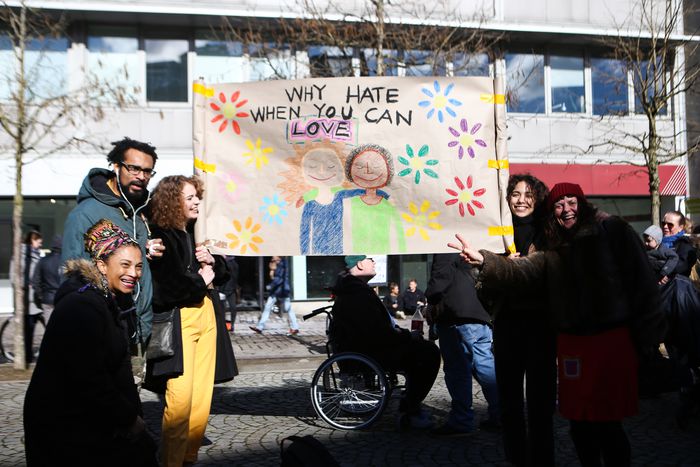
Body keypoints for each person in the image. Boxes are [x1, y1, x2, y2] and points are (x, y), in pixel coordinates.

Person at [450, 182, 666, 467]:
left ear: (582, 202)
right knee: (579, 423)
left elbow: (644, 284)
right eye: (559, 205)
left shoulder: (612, 229)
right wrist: (484, 261)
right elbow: (524, 268)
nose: (566, 209)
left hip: (609, 340)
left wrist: (647, 338)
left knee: (608, 424)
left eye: (571, 201)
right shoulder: (556, 246)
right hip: (572, 344)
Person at [24, 219, 157, 466]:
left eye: (139, 267)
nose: (134, 274)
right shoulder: (82, 306)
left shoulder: (108, 300)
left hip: (90, 427)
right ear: (101, 265)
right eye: (125, 265)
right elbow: (87, 377)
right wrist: (128, 418)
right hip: (68, 434)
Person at [143, 175, 237, 467]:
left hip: (207, 314)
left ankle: (189, 458)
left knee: (202, 397)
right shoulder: (160, 234)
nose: (197, 201)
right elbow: (164, 289)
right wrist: (201, 281)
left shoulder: (198, 230)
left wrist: (213, 262)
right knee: (181, 399)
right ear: (173, 201)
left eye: (197, 196)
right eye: (189, 197)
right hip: (179, 318)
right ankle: (170, 461)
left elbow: (226, 271)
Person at [62, 137, 165, 345]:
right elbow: (73, 278)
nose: (141, 177)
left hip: (141, 329)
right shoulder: (86, 214)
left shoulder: (143, 211)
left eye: (147, 171)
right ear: (116, 166)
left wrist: (151, 254)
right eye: (134, 169)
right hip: (104, 330)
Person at [331, 255, 441, 430]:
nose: (374, 262)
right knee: (429, 353)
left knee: (423, 350)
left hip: (367, 348)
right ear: (359, 264)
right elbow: (377, 332)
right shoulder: (358, 293)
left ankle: (410, 406)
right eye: (370, 259)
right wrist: (407, 336)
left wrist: (403, 335)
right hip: (372, 352)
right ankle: (409, 410)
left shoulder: (354, 289)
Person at [425, 253, 500, 436]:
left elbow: (440, 279)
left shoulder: (444, 242)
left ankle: (461, 420)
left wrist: (430, 301)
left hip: (456, 314)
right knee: (485, 367)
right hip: (479, 314)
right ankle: (501, 415)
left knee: (458, 369)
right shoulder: (471, 242)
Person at [9, 230, 43, 364]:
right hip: (25, 299)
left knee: (32, 327)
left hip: (34, 299)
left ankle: (28, 354)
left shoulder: (35, 255)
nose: (40, 244)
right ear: (32, 241)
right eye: (38, 242)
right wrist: (27, 284)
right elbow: (14, 276)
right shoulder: (20, 256)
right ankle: (26, 356)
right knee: (27, 329)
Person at [249, 256, 299, 336]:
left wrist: (269, 286)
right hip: (276, 291)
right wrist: (272, 270)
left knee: (288, 308)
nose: (272, 258)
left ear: (278, 257)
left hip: (282, 290)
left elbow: (279, 279)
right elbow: (273, 277)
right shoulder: (277, 264)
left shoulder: (283, 265)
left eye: (273, 257)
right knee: (267, 307)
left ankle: (295, 327)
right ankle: (259, 327)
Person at [31, 234, 63, 325]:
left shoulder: (43, 261)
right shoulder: (66, 261)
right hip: (63, 300)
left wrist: (41, 295)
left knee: (49, 329)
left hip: (47, 299)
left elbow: (35, 282)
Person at [662, 210, 697, 277]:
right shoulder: (657, 242)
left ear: (680, 228)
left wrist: (661, 271)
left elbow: (680, 267)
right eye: (663, 223)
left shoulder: (685, 244)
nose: (665, 227)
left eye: (670, 224)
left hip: (675, 285)